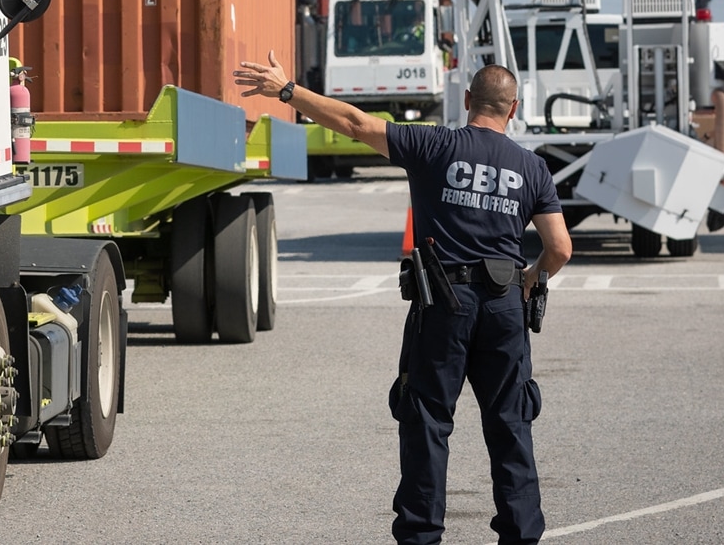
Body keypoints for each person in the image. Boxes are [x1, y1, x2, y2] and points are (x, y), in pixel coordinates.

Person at [234, 52, 572, 545]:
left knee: (428, 423)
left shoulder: (433, 144)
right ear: (513, 109)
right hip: (504, 307)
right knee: (510, 424)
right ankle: (521, 536)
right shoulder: (532, 167)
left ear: (468, 100)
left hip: (444, 302)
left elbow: (353, 122)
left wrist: (287, 91)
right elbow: (559, 247)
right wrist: (533, 275)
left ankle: (420, 537)